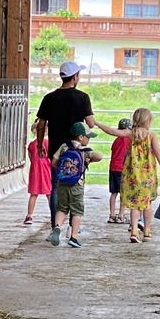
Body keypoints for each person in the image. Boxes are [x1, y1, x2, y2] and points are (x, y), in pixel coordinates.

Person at [35, 62, 95, 229]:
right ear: (75, 77)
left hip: (57, 149)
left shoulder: (49, 98)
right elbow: (91, 123)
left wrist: (40, 144)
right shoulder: (83, 97)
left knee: (55, 187)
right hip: (77, 150)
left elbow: (41, 124)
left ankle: (56, 224)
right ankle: (73, 228)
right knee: (76, 184)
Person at [97, 108, 160, 243]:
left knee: (135, 204)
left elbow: (112, 131)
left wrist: (97, 123)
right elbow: (158, 154)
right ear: (148, 120)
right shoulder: (151, 135)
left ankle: (134, 231)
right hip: (147, 175)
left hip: (132, 175)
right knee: (147, 204)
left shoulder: (130, 133)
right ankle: (147, 231)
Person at [48, 122, 103, 248]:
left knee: (62, 208)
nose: (88, 139)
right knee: (77, 211)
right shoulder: (84, 151)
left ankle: (57, 228)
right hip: (77, 186)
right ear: (80, 137)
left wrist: (62, 172)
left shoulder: (64, 146)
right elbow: (100, 157)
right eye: (87, 136)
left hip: (62, 183)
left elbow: (54, 161)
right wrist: (89, 157)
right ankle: (74, 236)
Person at [23, 118, 51, 225]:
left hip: (35, 171)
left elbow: (31, 158)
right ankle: (54, 213)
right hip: (46, 170)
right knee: (49, 194)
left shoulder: (31, 145)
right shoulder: (48, 143)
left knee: (33, 194)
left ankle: (29, 215)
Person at [107, 117, 132, 224]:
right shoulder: (129, 140)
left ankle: (112, 215)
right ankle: (121, 215)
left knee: (113, 193)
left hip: (113, 168)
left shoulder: (116, 140)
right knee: (123, 193)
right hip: (123, 169)